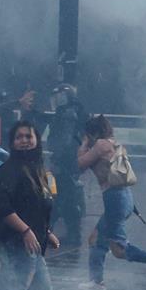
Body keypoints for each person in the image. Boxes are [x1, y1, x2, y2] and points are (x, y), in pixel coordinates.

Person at [0, 119, 68, 290]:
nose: (24, 140)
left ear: (37, 139)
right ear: (12, 142)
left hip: (34, 249)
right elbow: (3, 207)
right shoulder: (9, 171)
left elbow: (37, 209)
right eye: (19, 137)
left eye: (29, 135)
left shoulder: (39, 170)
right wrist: (26, 231)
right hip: (16, 247)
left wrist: (44, 232)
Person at [74, 114, 146, 289]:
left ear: (92, 132)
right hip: (123, 197)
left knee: (118, 249)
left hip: (114, 199)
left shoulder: (100, 145)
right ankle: (96, 281)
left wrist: (83, 144)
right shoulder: (113, 143)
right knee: (95, 239)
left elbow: (80, 164)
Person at [45, 85, 87, 258]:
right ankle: (73, 234)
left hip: (63, 164)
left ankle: (47, 231)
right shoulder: (73, 112)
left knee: (55, 198)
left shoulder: (66, 115)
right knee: (67, 199)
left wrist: (58, 160)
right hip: (69, 163)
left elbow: (64, 140)